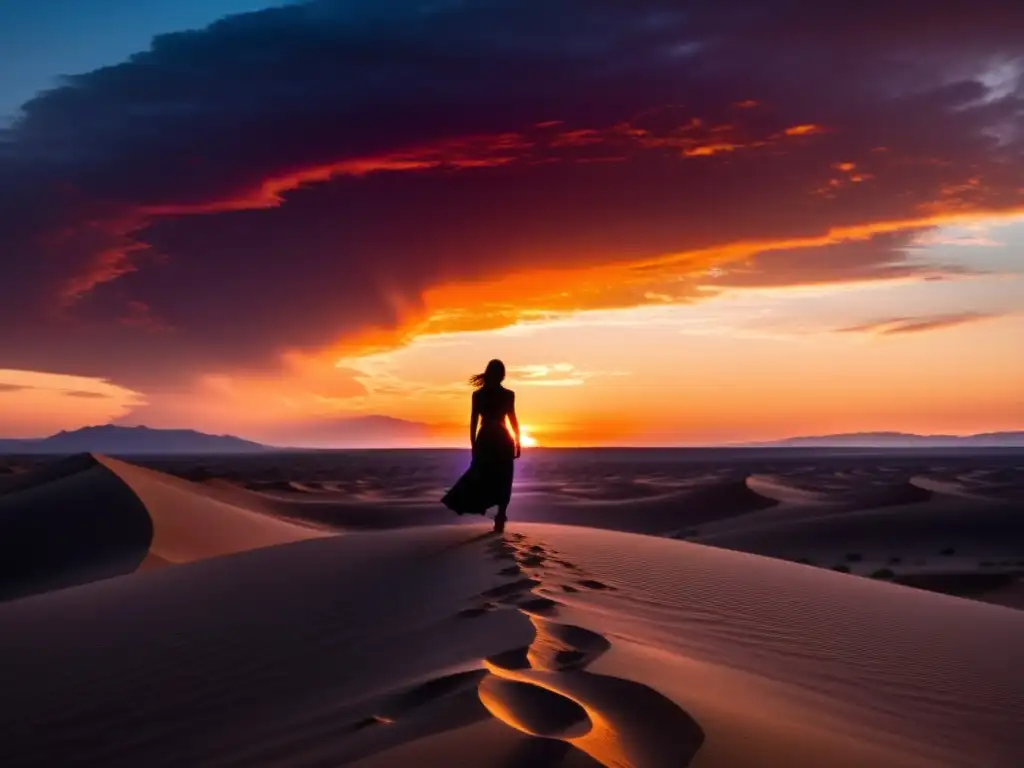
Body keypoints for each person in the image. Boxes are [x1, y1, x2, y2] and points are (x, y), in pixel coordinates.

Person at [441, 359, 521, 532]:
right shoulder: (505, 395)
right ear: (501, 375)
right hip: (500, 438)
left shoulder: (480, 395)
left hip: (487, 438)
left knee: (488, 475)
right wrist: (517, 441)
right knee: (503, 478)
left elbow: (474, 422)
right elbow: (511, 419)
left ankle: (497, 514)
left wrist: (473, 444)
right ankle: (500, 514)